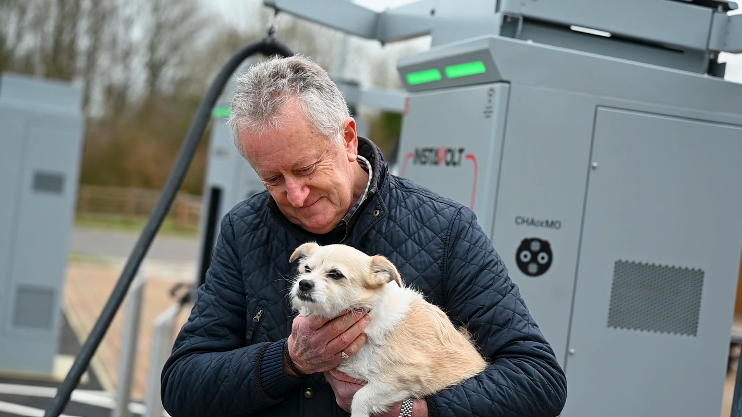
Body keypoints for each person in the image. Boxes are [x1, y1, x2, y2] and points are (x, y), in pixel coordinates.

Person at [160, 54, 567, 417]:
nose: (296, 195)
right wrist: (288, 360)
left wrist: (416, 411)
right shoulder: (243, 230)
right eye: (272, 179)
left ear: (348, 138)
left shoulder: (445, 229)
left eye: (305, 169)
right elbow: (182, 386)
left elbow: (538, 379)